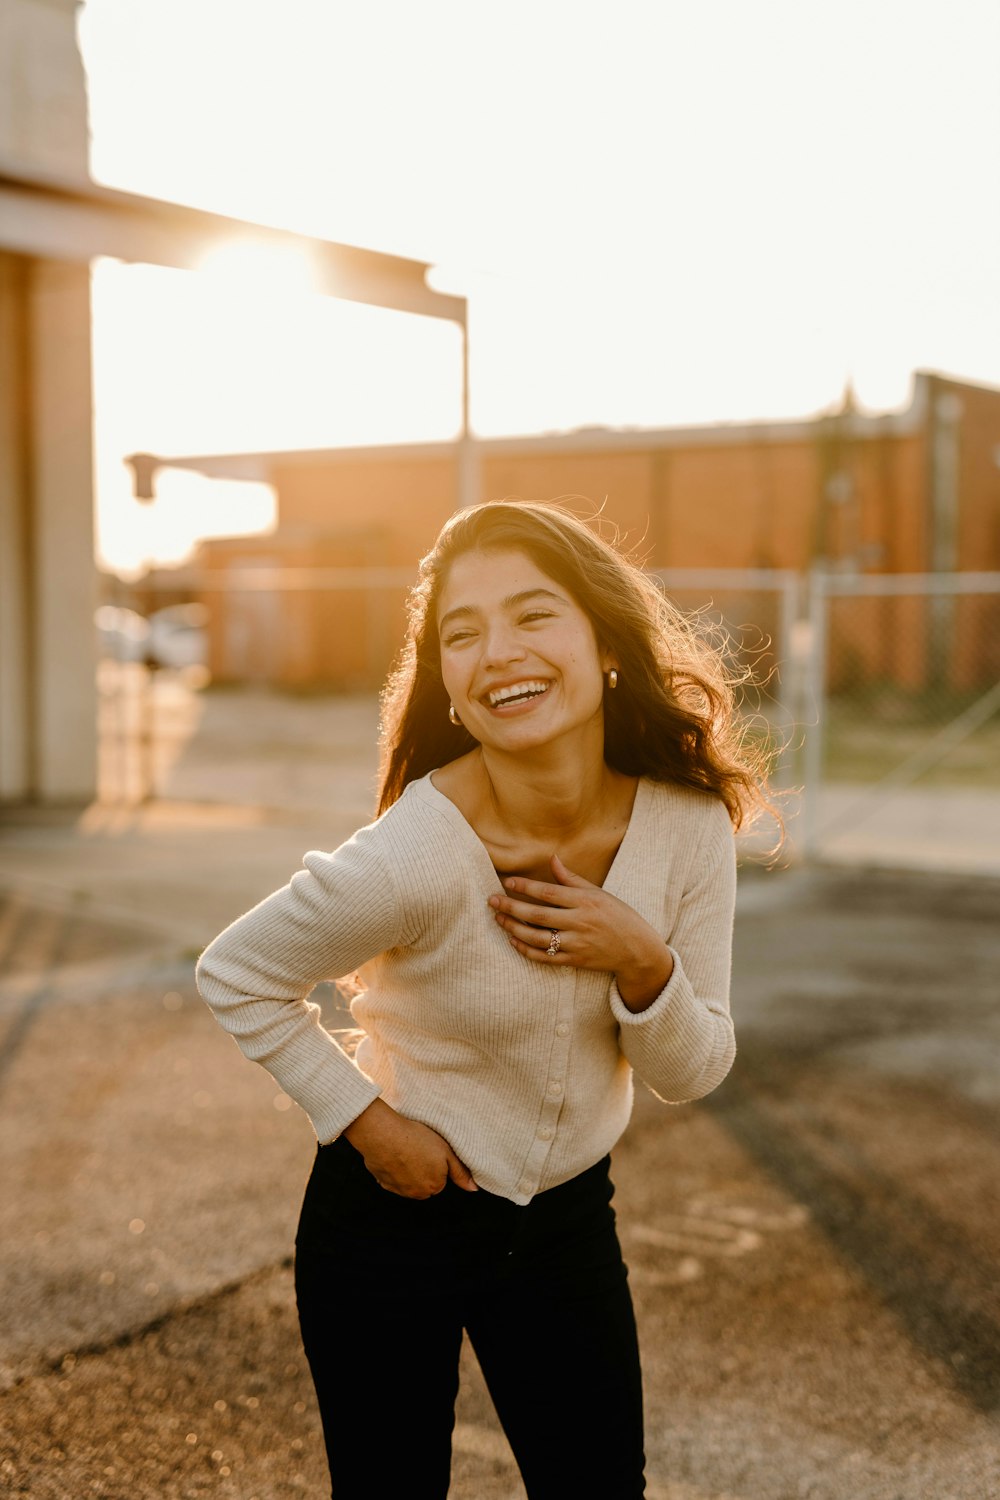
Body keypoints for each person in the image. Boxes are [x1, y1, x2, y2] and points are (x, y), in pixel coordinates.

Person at [196, 499, 774, 1499]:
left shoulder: (686, 829)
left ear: (603, 644)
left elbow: (695, 1069)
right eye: (461, 633)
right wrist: (367, 1124)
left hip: (563, 1224)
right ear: (450, 690)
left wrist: (641, 960)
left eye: (531, 614)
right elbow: (235, 972)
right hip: (387, 1219)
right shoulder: (415, 852)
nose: (497, 650)